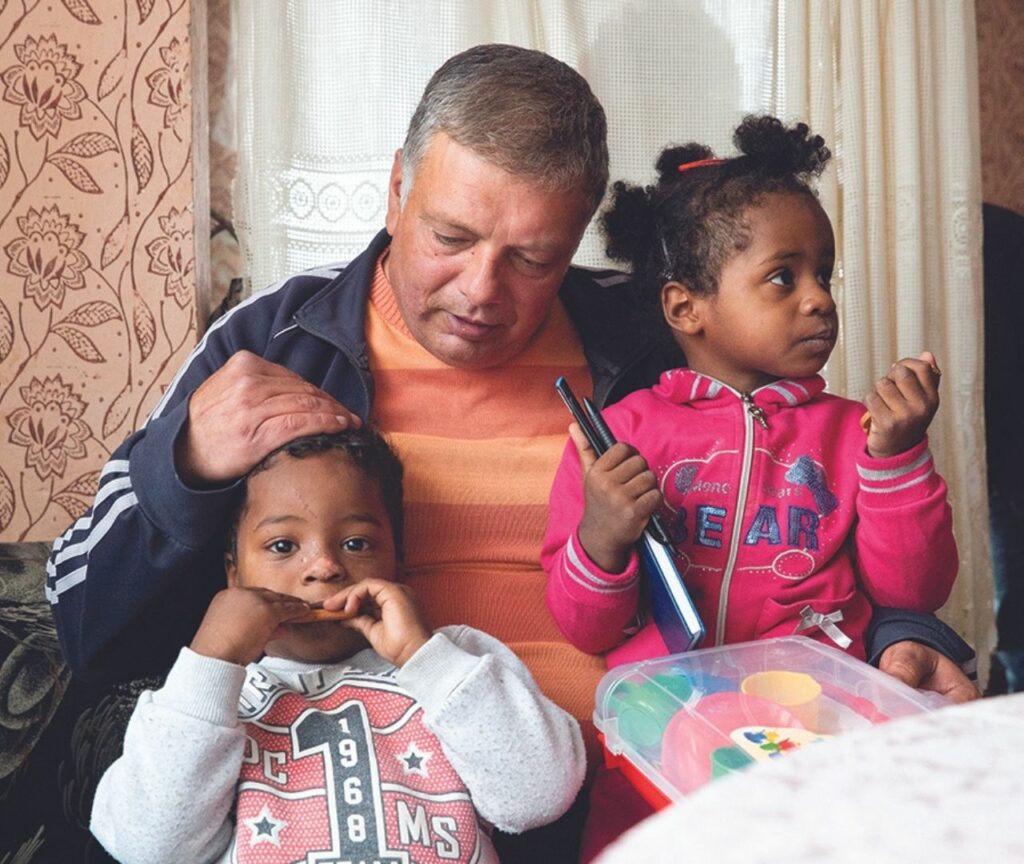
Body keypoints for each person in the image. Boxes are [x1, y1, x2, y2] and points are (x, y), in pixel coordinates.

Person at [48, 42, 975, 858]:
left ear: (577, 241)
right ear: (397, 189)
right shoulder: (276, 339)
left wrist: (907, 634)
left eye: (533, 258)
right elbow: (81, 623)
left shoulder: (658, 342)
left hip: (659, 775)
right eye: (451, 238)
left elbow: (806, 507)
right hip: (374, 794)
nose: (481, 290)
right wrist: (183, 467)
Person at [541, 115, 964, 860]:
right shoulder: (621, 434)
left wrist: (897, 457)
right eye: (783, 276)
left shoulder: (852, 431)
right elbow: (586, 628)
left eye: (823, 274)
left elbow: (914, 590)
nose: (819, 300)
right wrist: (603, 535)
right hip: (664, 732)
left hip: (819, 730)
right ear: (685, 307)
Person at [90, 430, 586, 864]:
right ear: (234, 573)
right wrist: (211, 664)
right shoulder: (211, 699)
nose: (324, 566)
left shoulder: (453, 663)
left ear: (399, 562)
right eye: (283, 546)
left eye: (356, 544)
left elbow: (540, 796)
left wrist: (424, 657)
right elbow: (150, 847)